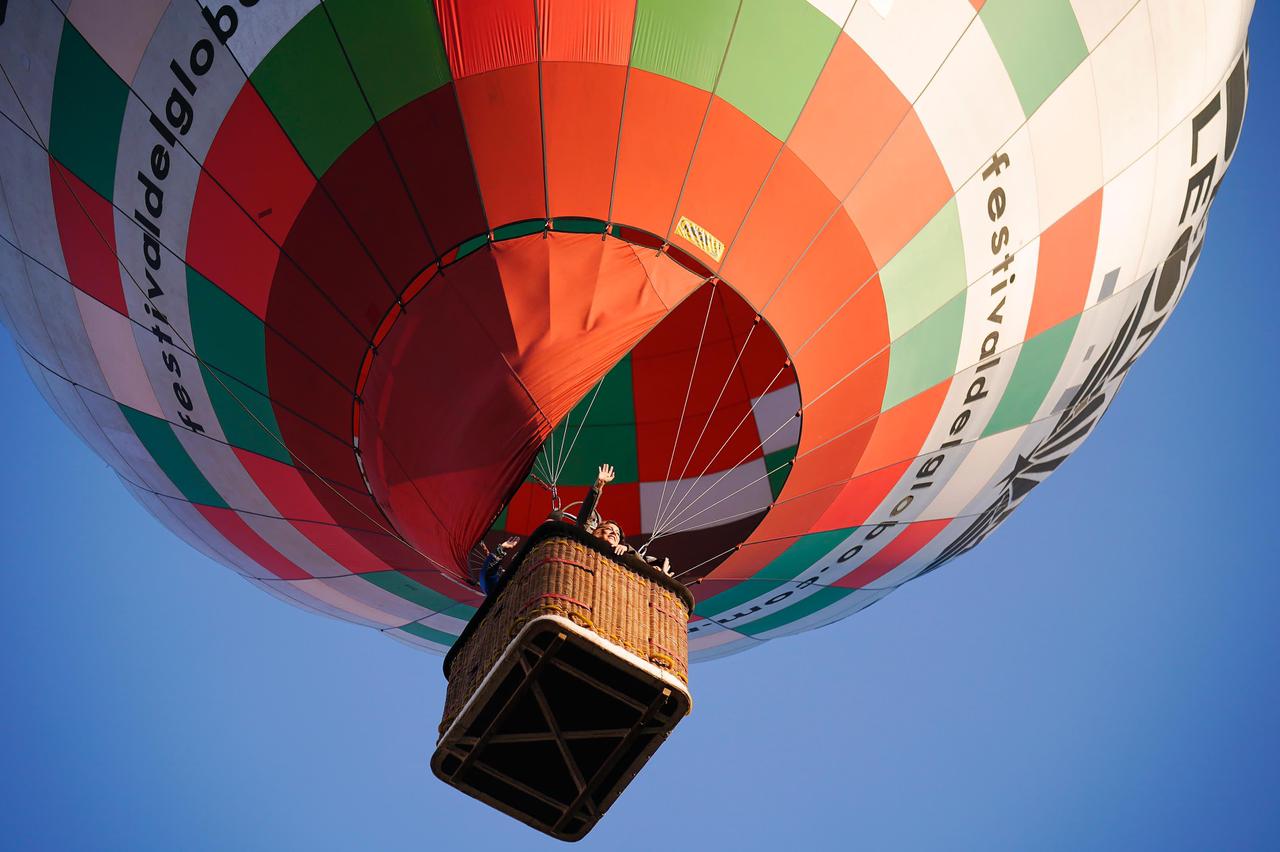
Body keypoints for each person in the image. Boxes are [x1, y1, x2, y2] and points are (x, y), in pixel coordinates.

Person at [575, 463, 615, 531]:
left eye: (618, 533)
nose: (613, 533)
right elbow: (586, 512)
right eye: (609, 529)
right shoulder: (588, 535)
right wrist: (599, 484)